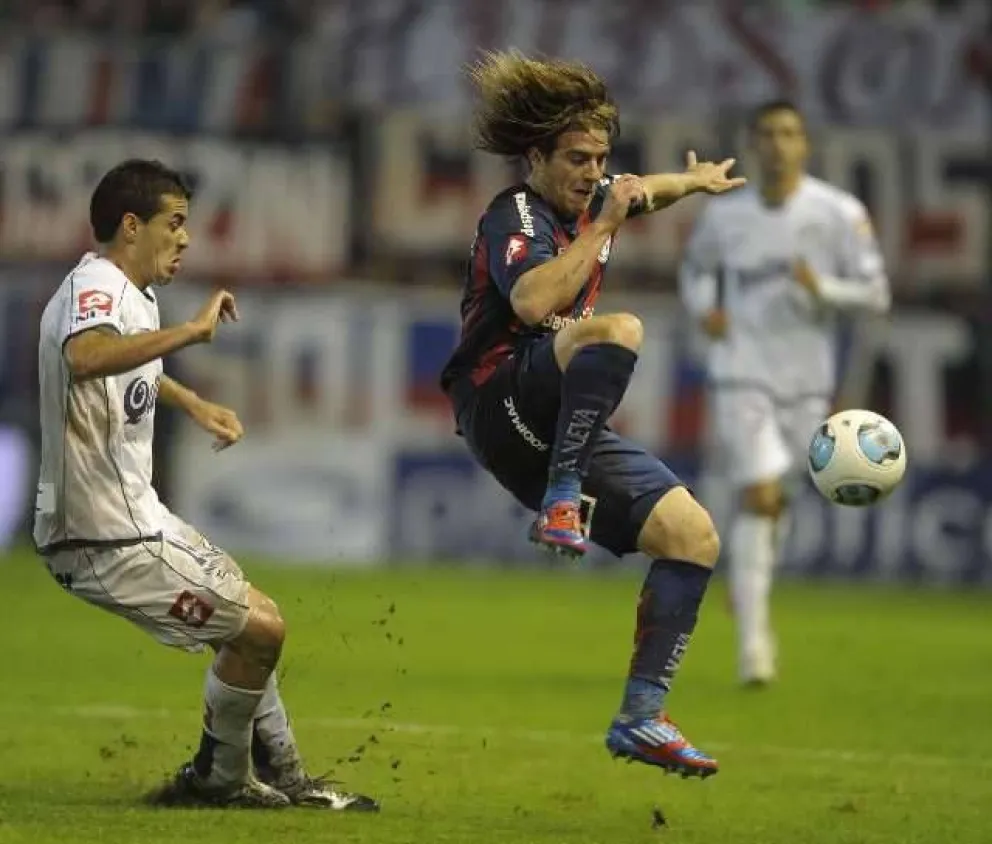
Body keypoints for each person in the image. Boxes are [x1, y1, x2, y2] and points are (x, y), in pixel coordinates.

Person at [33, 159, 378, 811]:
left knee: (256, 621)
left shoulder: (130, 294)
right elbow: (85, 357)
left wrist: (192, 400)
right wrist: (193, 332)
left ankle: (281, 776)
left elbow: (125, 361)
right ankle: (221, 780)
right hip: (102, 536)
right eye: (176, 223)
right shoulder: (96, 289)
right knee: (260, 631)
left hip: (136, 520)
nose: (187, 238)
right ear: (131, 226)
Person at [439, 51, 746, 778]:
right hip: (498, 400)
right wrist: (602, 221)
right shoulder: (514, 213)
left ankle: (642, 716)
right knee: (618, 330)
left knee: (694, 537)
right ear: (536, 156)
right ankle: (558, 502)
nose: (591, 172)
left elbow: (644, 193)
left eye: (601, 159)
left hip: (555, 414)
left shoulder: (596, 198)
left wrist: (693, 183)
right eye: (577, 159)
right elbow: (531, 304)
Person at [678, 99, 891, 685]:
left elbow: (875, 294)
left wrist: (823, 289)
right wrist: (705, 309)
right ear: (753, 143)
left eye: (788, 133)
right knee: (762, 493)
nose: (777, 143)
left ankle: (748, 585)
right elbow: (694, 270)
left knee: (780, 502)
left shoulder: (838, 212)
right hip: (740, 370)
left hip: (807, 382)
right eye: (766, 133)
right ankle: (755, 647)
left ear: (805, 145)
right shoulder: (726, 215)